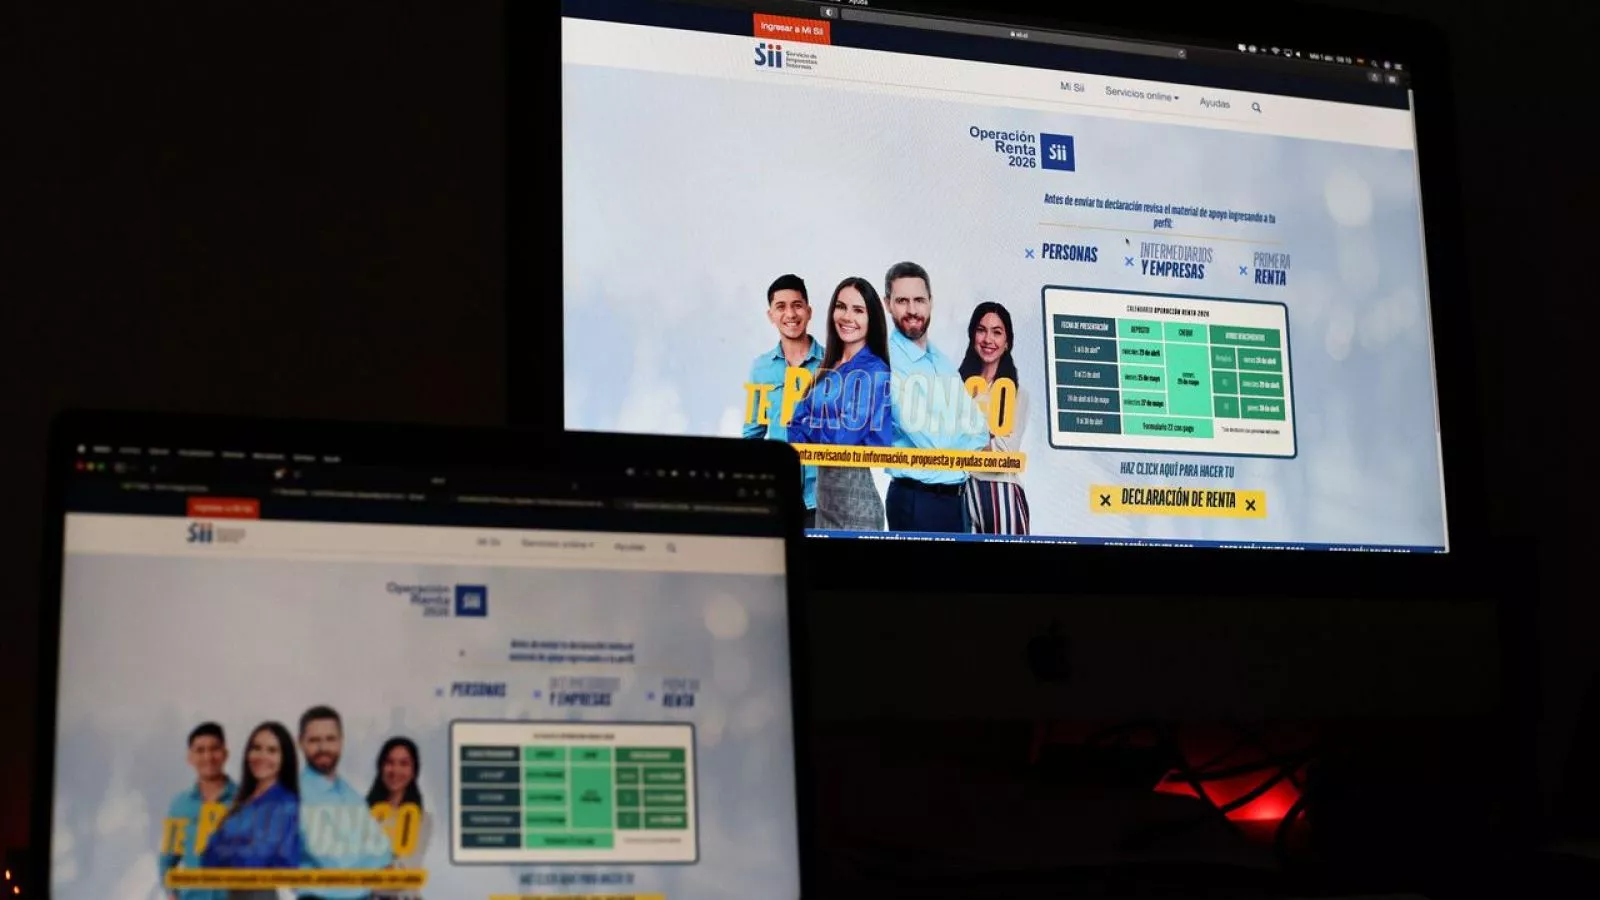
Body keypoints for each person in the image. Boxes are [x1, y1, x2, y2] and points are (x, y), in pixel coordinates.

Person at [880, 261, 988, 532]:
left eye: (919, 300)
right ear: (887, 304)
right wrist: (958, 438)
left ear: (931, 302)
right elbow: (933, 443)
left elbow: (979, 431)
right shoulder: (885, 361)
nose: (912, 310)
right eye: (902, 301)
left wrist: (955, 439)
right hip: (916, 501)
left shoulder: (941, 360)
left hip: (957, 501)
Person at [787, 276, 893, 530]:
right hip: (825, 504)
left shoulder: (875, 370)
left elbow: (843, 439)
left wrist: (813, 423)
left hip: (857, 508)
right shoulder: (828, 365)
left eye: (858, 310)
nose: (847, 316)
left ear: (871, 318)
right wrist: (825, 424)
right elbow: (794, 429)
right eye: (841, 306)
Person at [743, 273, 823, 528]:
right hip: (779, 496)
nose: (790, 314)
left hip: (823, 498)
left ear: (809, 311)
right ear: (771, 315)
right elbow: (752, 435)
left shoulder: (833, 364)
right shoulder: (761, 369)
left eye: (797, 305)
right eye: (781, 307)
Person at [296, 706, 395, 900]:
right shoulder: (293, 796)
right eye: (314, 740)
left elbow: (384, 858)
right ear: (301, 743)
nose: (323, 747)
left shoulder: (352, 796)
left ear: (341, 741)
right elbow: (336, 864)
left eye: (330, 739)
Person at [199, 722, 301, 900]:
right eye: (256, 748)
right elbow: (208, 857)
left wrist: (228, 848)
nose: (262, 756)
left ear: (284, 758)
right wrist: (241, 846)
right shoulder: (242, 801)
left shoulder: (286, 804)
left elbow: (254, 861)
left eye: (272, 750)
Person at [959, 301, 1031, 534]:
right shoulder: (957, 387)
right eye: (981, 330)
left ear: (1007, 342)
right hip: (963, 492)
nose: (988, 339)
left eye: (997, 332)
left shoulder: (1017, 394)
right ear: (972, 335)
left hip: (1000, 491)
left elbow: (1003, 455)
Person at [159, 722, 238, 900]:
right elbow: (167, 860)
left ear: (225, 754)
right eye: (200, 750)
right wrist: (171, 894)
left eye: (214, 749)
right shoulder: (180, 806)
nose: (208, 757)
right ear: (190, 757)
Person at [366, 738, 431, 900]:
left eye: (404, 764)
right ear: (381, 766)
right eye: (390, 762)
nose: (395, 770)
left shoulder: (422, 819)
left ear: (414, 771)